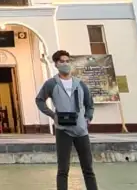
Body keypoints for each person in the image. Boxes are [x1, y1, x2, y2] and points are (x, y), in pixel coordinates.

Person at [36, 50, 98, 190]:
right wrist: (53, 115)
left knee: (88, 168)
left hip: (81, 130)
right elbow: (39, 100)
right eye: (61, 61)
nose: (65, 64)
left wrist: (88, 118)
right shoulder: (51, 84)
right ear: (56, 64)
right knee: (63, 169)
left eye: (67, 61)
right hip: (63, 130)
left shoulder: (80, 83)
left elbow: (89, 104)